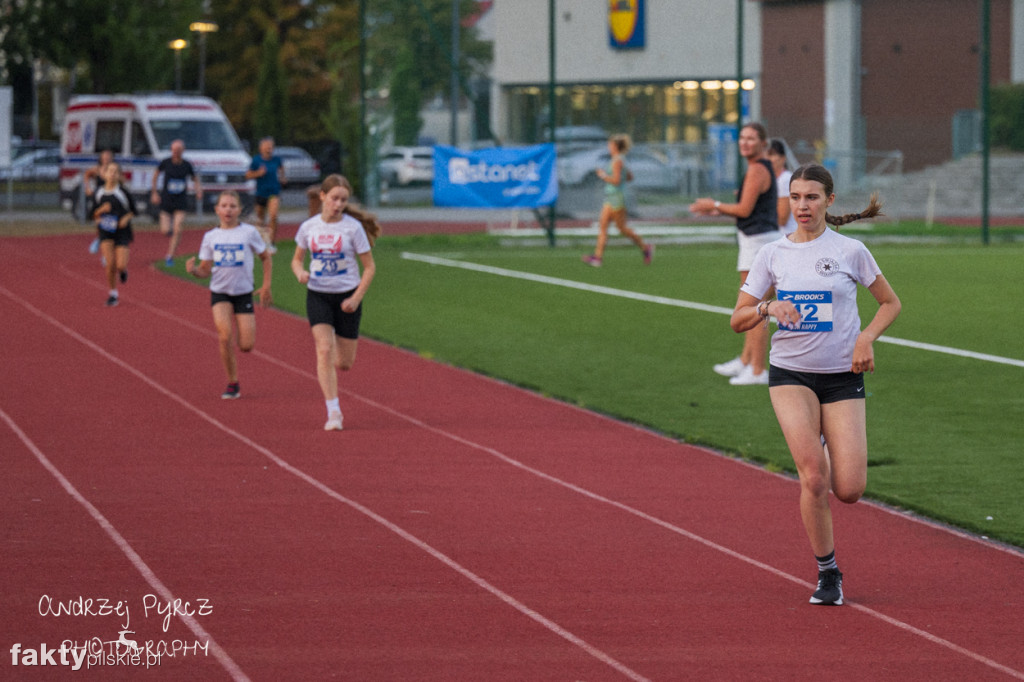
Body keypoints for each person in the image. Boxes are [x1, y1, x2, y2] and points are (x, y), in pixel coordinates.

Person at [729, 163, 901, 606]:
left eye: (811, 197)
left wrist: (866, 338)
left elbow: (889, 302)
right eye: (795, 197)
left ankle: (827, 447)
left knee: (850, 489)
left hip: (843, 377)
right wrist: (769, 308)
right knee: (812, 479)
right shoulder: (772, 254)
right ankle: (829, 573)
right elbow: (737, 319)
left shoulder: (851, 251)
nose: (802, 206)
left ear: (829, 200)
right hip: (791, 376)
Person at [690, 122, 781, 385]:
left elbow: (743, 209)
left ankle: (757, 369)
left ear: (763, 143)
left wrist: (714, 204)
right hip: (753, 240)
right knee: (751, 306)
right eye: (742, 138)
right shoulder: (757, 168)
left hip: (758, 242)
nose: (745, 142)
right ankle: (746, 361)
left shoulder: (756, 169)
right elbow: (750, 209)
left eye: (751, 138)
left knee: (754, 308)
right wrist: (717, 210)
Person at [291, 174, 381, 431]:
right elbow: (297, 259)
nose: (338, 204)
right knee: (324, 349)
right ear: (322, 197)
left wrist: (355, 298)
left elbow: (370, 268)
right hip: (318, 294)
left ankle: (327, 371)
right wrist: (300, 273)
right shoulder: (309, 227)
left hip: (347, 297)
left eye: (343, 200)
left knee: (344, 363)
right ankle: (334, 412)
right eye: (334, 198)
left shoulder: (353, 228)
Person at [185, 191, 273, 400]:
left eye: (232, 206)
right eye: (224, 206)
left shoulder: (249, 233)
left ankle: (236, 369)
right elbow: (206, 268)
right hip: (220, 292)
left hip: (243, 293)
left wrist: (266, 286)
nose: (228, 210)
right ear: (217, 210)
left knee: (246, 345)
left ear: (239, 210)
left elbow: (265, 257)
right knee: (225, 337)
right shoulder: (211, 237)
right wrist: (195, 271)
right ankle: (233, 383)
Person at [581, 134, 654, 267]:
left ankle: (645, 248)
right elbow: (630, 177)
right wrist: (618, 178)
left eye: (610, 145)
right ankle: (597, 258)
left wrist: (603, 175)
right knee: (603, 226)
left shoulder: (618, 161)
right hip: (611, 197)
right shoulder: (619, 160)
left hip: (616, 198)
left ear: (615, 146)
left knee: (621, 228)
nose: (609, 147)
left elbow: (616, 180)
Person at [151, 139, 202, 267]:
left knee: (178, 228)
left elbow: (194, 178)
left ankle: (170, 256)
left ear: (182, 151)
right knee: (165, 230)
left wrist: (198, 190)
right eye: (174, 150)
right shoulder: (166, 163)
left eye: (179, 150)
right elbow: (156, 175)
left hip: (181, 201)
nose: (176, 152)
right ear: (171, 151)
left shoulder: (186, 165)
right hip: (167, 200)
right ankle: (172, 235)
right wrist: (154, 192)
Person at [92, 162, 136, 307]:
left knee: (121, 265)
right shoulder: (98, 193)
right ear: (104, 174)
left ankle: (123, 272)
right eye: (109, 171)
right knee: (110, 264)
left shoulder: (122, 192)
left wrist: (125, 218)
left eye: (115, 171)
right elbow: (92, 214)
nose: (112, 174)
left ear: (119, 175)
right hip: (106, 231)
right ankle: (113, 294)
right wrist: (100, 212)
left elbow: (134, 211)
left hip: (122, 231)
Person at [245, 137, 286, 254]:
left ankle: (271, 243)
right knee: (260, 220)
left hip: (274, 192)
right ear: (261, 148)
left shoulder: (276, 160)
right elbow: (247, 175)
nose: (269, 149)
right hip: (261, 193)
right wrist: (259, 173)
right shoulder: (256, 161)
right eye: (266, 146)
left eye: (271, 147)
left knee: (273, 216)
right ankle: (262, 241)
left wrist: (282, 177)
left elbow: (281, 168)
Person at [85, 148, 115, 254]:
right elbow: (87, 174)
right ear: (101, 159)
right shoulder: (97, 169)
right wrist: (87, 187)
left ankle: (106, 252)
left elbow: (121, 180)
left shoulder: (114, 170)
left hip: (110, 199)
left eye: (108, 157)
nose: (106, 159)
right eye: (104, 157)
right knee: (99, 223)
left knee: (109, 225)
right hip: (98, 199)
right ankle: (99, 240)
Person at [767, 139, 798, 235]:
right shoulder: (772, 180)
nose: (768, 158)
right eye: (767, 154)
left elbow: (782, 219)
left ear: (783, 158)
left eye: (772, 154)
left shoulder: (785, 179)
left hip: (787, 236)